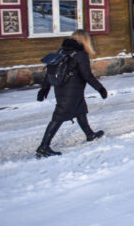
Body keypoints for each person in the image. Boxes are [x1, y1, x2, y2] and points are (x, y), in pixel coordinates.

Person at [35, 29, 108, 158]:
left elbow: (50, 72)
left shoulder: (62, 51)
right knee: (58, 117)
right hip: (72, 91)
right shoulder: (80, 54)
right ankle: (43, 147)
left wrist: (44, 89)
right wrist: (100, 89)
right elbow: (87, 75)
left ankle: (89, 134)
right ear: (85, 40)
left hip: (62, 89)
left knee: (80, 110)